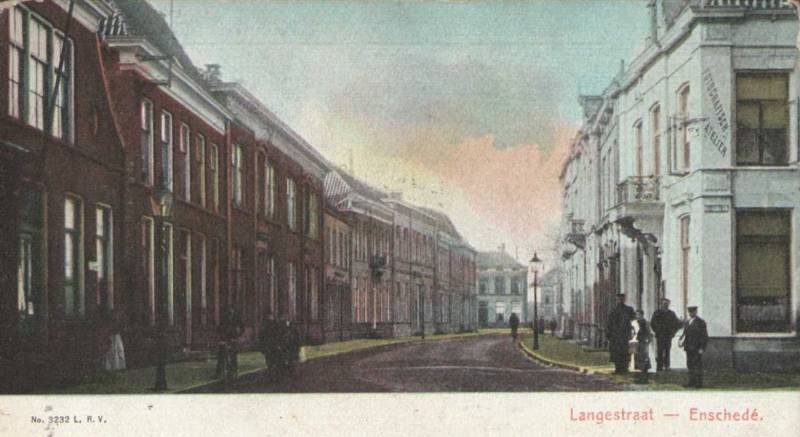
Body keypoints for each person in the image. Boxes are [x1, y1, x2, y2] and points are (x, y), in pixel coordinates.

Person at [679, 305, 708, 388]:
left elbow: (704, 336)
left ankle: (698, 384)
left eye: (693, 311)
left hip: (697, 348)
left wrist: (702, 348)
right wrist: (682, 341)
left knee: (697, 366)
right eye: (690, 312)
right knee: (690, 365)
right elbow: (685, 334)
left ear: (696, 312)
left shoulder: (701, 322)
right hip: (688, 348)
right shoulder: (687, 322)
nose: (691, 313)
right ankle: (691, 382)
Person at [606, 293, 635, 374]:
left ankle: (625, 368)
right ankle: (618, 368)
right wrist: (609, 333)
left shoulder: (629, 310)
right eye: (619, 299)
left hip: (625, 335)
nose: (620, 300)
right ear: (617, 300)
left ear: (624, 299)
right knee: (616, 352)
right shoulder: (613, 310)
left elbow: (634, 321)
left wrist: (632, 332)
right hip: (616, 335)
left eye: (622, 299)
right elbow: (609, 323)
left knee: (625, 352)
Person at [650, 298, 681, 371]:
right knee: (660, 351)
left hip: (668, 335)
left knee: (667, 351)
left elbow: (677, 324)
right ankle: (659, 366)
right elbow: (652, 323)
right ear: (661, 304)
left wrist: (673, 333)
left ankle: (667, 365)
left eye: (667, 304)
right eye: (664, 304)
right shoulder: (657, 313)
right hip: (660, 335)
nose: (665, 305)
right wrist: (657, 331)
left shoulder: (671, 314)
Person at [216, 306, 245, 379]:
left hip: (233, 338)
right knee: (222, 355)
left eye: (231, 309)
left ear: (233, 310)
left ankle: (234, 371)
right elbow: (220, 326)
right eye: (229, 310)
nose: (230, 311)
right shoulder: (224, 317)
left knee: (233, 355)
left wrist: (239, 334)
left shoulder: (237, 317)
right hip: (225, 337)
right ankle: (219, 373)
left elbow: (242, 326)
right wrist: (220, 335)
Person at [633, 310, 652, 383]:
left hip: (643, 342)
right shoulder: (635, 323)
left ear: (642, 315)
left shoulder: (645, 323)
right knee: (637, 360)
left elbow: (649, 333)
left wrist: (648, 341)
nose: (637, 316)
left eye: (638, 315)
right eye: (636, 315)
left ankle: (644, 378)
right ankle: (639, 377)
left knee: (644, 360)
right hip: (636, 342)